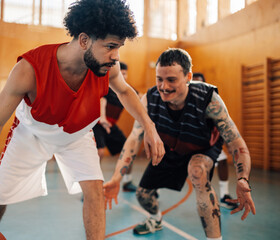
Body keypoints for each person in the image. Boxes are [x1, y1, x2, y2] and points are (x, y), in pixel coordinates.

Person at [0, 0, 164, 239]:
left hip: (77, 136)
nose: (115, 55)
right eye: (110, 46)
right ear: (84, 40)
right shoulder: (30, 69)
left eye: (118, 47)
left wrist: (150, 127)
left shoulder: (108, 66)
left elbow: (124, 91)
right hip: (31, 134)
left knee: (94, 192)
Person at [104, 48, 256, 239]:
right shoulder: (150, 99)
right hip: (169, 148)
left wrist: (243, 178)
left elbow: (235, 142)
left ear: (188, 76)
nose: (164, 86)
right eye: (159, 79)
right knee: (142, 195)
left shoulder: (209, 100)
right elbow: (134, 139)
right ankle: (155, 218)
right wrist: (117, 178)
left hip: (201, 149)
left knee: (197, 170)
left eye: (171, 80)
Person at [192, 72, 238, 210]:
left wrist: (229, 142)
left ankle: (224, 195)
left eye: (199, 83)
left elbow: (220, 123)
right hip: (184, 143)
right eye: (193, 84)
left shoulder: (211, 102)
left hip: (204, 142)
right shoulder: (182, 102)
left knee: (222, 159)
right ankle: (153, 189)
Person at [93, 62, 137, 192]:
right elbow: (102, 101)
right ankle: (92, 187)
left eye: (124, 74)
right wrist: (103, 118)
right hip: (98, 125)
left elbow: (141, 99)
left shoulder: (127, 91)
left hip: (111, 126)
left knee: (129, 150)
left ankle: (127, 182)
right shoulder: (106, 88)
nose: (122, 76)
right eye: (119, 73)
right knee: (99, 153)